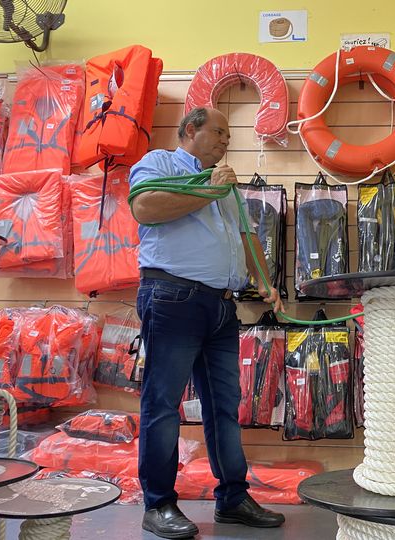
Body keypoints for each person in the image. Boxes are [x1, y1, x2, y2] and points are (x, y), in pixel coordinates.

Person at [129, 107, 286, 539]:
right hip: (172, 298)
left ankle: (233, 499)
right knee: (162, 405)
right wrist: (210, 192)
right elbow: (144, 208)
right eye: (218, 132)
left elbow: (246, 238)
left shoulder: (226, 186)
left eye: (228, 135)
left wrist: (265, 283)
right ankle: (158, 504)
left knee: (224, 408)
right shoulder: (160, 163)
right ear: (190, 130)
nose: (225, 140)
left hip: (220, 307)